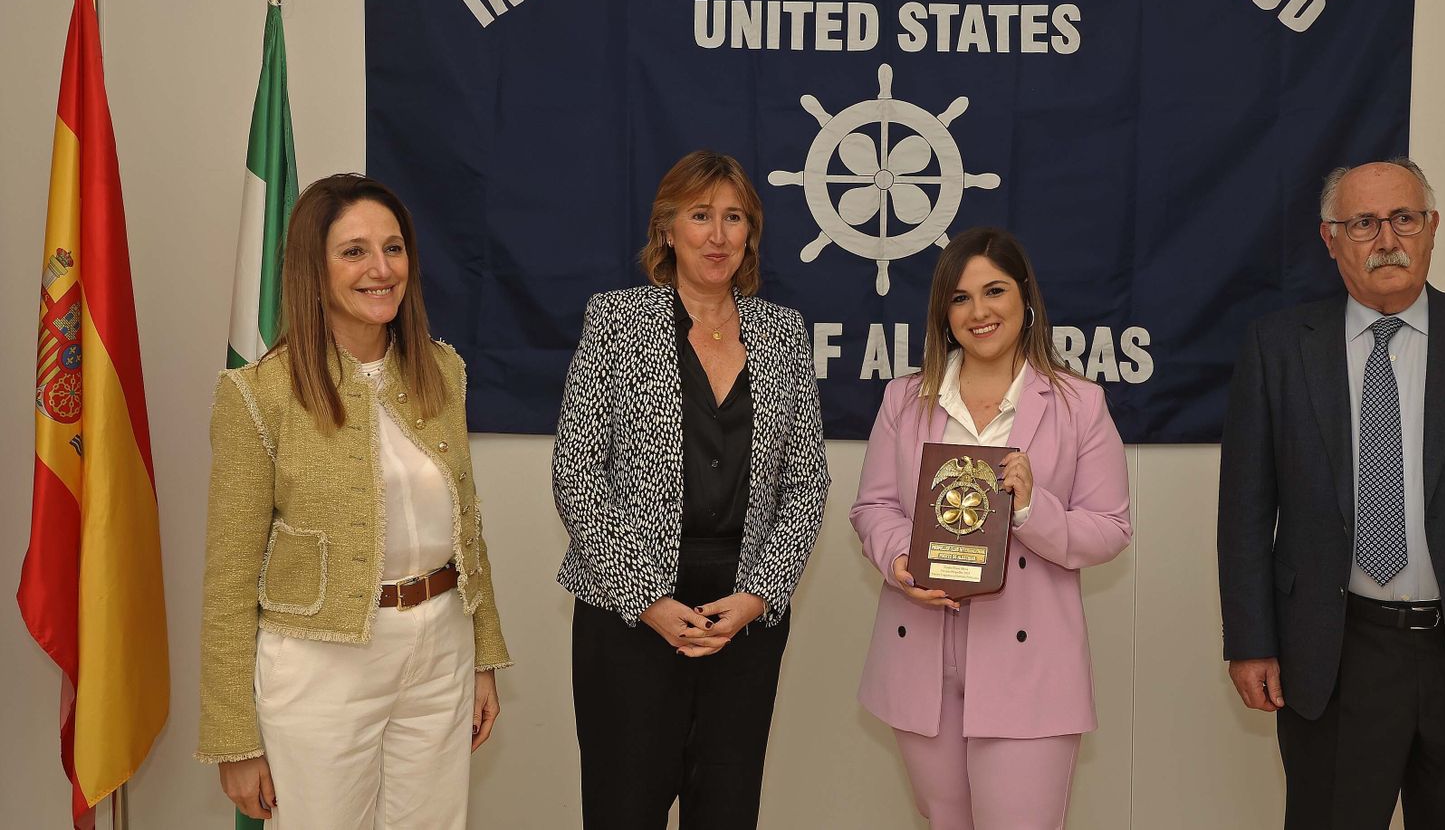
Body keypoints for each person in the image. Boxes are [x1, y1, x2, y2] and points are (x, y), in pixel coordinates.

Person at [1217, 158, 1445, 827]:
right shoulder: (1279, 346)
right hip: (1333, 655)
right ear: (1331, 239)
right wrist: (1251, 640)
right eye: (1363, 223)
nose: (1387, 240)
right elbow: (1244, 510)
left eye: (1404, 218)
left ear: (1432, 227)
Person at [197, 174, 511, 828]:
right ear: (313, 269)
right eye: (354, 252)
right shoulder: (259, 395)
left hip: (440, 650)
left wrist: (483, 655)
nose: (381, 269)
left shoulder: (443, 371)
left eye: (393, 249)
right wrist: (234, 738)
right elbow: (229, 579)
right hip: (322, 666)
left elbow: (467, 527)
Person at [552, 149, 830, 829]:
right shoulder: (616, 321)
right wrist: (646, 598)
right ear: (667, 229)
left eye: (734, 218)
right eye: (701, 215)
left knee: (727, 811)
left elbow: (806, 481)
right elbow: (577, 473)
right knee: (623, 810)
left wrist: (760, 594)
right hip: (631, 613)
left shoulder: (784, 334)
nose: (718, 235)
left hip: (743, 615)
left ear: (750, 235)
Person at [850, 227, 1132, 830]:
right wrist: (900, 562)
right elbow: (873, 507)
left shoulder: (1078, 403)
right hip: (921, 655)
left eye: (994, 291)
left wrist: (1030, 509)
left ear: (1025, 296)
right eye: (960, 298)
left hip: (1030, 663)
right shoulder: (905, 398)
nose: (978, 312)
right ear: (943, 312)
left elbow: (1110, 528)